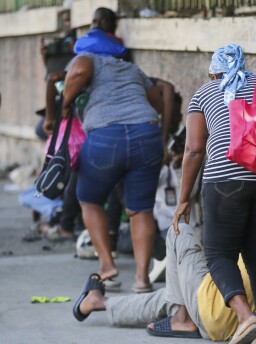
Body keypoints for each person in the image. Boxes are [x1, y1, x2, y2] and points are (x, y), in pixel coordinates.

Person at [172, 43, 256, 344]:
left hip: (225, 179)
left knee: (219, 254)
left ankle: (245, 317)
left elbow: (194, 149)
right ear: (244, 66)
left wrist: (183, 199)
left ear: (212, 73)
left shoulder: (204, 94)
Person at [62, 28, 164, 293]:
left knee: (88, 199)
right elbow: (158, 100)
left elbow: (79, 71)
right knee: (140, 209)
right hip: (146, 133)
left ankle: (107, 265)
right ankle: (142, 278)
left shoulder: (87, 59)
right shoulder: (131, 68)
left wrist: (65, 102)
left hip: (106, 137)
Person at [72, 223, 256, 341]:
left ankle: (183, 318)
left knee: (179, 228)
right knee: (170, 295)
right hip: (234, 325)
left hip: (211, 312)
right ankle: (101, 303)